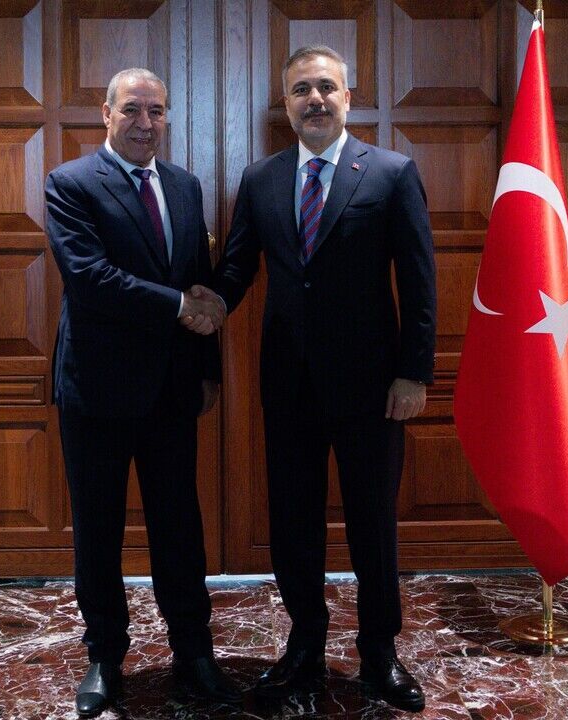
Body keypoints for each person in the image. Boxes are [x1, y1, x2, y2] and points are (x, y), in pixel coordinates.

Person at [193, 45, 437, 712]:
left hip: (373, 389)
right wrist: (208, 303)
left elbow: (419, 282)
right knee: (293, 522)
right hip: (289, 385)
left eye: (326, 87)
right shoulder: (261, 178)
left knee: (372, 525)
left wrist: (414, 373)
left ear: (348, 97)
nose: (315, 100)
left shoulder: (390, 173)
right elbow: (238, 266)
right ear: (287, 104)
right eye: (302, 90)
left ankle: (379, 653)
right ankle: (305, 645)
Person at [45, 67, 239, 717]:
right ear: (106, 113)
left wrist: (208, 368)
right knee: (97, 531)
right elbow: (89, 278)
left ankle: (194, 653)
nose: (145, 123)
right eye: (132, 109)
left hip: (171, 392)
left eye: (156, 111)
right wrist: (181, 306)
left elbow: (198, 278)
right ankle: (105, 656)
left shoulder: (184, 186)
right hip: (96, 391)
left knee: (180, 527)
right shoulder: (71, 183)